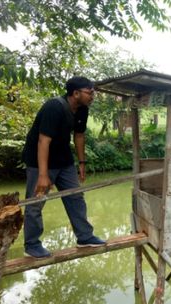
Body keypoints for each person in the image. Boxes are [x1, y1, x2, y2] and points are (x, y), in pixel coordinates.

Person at [22, 76, 106, 258]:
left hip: (63, 159)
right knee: (35, 202)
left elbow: (79, 136)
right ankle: (32, 244)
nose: (93, 96)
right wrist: (43, 175)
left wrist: (82, 163)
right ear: (76, 93)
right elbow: (43, 141)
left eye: (93, 92)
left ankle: (85, 237)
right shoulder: (54, 107)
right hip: (39, 160)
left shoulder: (83, 109)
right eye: (89, 92)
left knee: (75, 196)